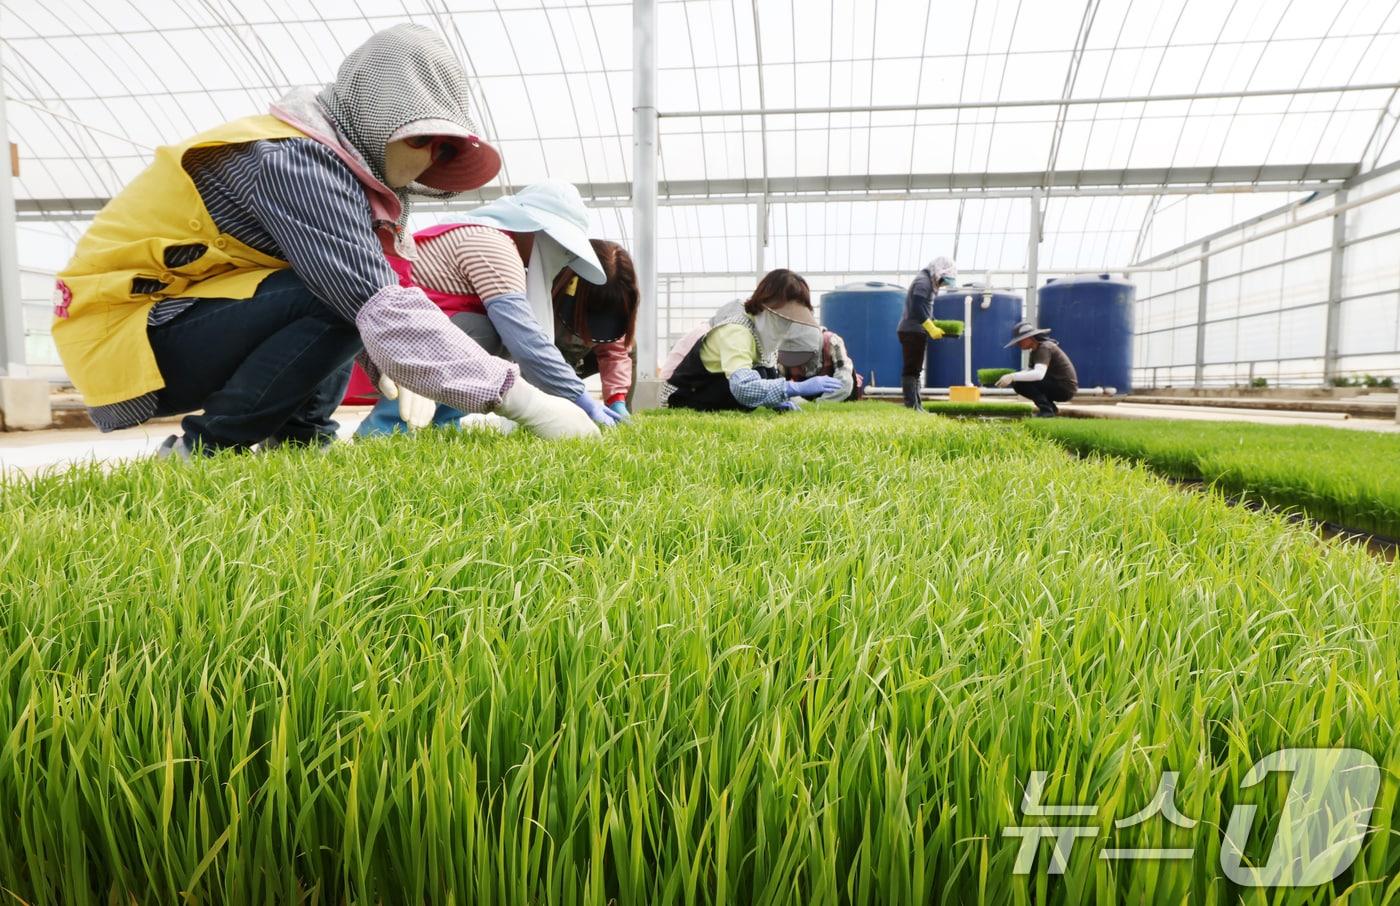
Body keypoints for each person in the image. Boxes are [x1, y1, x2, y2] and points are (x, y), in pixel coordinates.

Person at [52, 24, 596, 459]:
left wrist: (394, 361)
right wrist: (525, 401)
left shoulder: (341, 171)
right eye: (421, 138)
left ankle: (300, 443)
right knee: (340, 298)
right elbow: (377, 300)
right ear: (376, 117)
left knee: (344, 297)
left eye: (446, 149)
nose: (430, 159)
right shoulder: (293, 161)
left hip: (177, 316)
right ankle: (208, 453)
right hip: (128, 328)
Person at [352, 184, 638, 436]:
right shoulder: (494, 246)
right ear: (535, 230)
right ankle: (386, 429)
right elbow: (525, 340)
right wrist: (580, 399)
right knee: (486, 332)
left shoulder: (493, 241)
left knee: (489, 334)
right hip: (393, 337)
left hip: (402, 334)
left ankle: (438, 426)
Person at [661, 269, 841, 412]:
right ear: (766, 307)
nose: (787, 327)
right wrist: (795, 388)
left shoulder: (766, 336)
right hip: (685, 397)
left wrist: (778, 401)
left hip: (713, 392)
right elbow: (743, 387)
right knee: (758, 375)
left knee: (764, 372)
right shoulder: (737, 331)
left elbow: (768, 374)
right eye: (784, 318)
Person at [896, 257, 958, 410]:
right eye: (944, 280)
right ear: (939, 272)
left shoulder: (928, 281)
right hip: (912, 330)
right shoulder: (923, 282)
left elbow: (924, 308)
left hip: (916, 330)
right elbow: (917, 307)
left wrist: (935, 323)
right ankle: (912, 407)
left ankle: (917, 406)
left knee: (916, 370)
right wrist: (930, 327)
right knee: (912, 370)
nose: (943, 284)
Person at [996, 321, 1079, 417]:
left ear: (1029, 337)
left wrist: (1012, 376)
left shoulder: (1045, 347)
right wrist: (1010, 377)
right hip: (1057, 384)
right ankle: (1051, 409)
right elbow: (1029, 371)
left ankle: (1047, 411)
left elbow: (1038, 374)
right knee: (1019, 381)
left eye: (1020, 340)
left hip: (1065, 388)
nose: (1018, 344)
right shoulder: (1035, 351)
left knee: (1019, 383)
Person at [782, 329, 862, 402]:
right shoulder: (783, 350)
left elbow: (845, 382)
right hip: (802, 397)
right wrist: (803, 404)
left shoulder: (832, 341)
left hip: (838, 396)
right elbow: (779, 388)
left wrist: (820, 404)